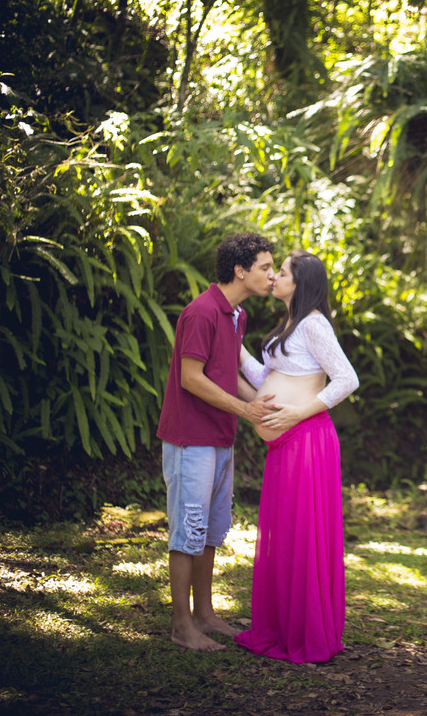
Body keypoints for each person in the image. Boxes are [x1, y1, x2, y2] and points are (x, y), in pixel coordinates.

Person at [156, 232, 280, 652]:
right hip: (190, 439)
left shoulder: (236, 315)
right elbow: (191, 378)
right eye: (265, 267)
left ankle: (205, 615)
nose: (272, 275)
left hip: (219, 436)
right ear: (240, 270)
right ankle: (181, 625)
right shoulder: (201, 312)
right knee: (186, 532)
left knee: (209, 531)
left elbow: (227, 374)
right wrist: (245, 411)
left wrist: (259, 404)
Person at [235, 250, 359, 663]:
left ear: (299, 283)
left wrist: (297, 412)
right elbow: (265, 378)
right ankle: (284, 626)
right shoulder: (288, 325)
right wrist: (230, 342)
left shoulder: (314, 324)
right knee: (286, 536)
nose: (273, 278)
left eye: (281, 272)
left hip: (308, 442)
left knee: (303, 533)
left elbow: (347, 379)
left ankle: (307, 631)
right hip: (285, 444)